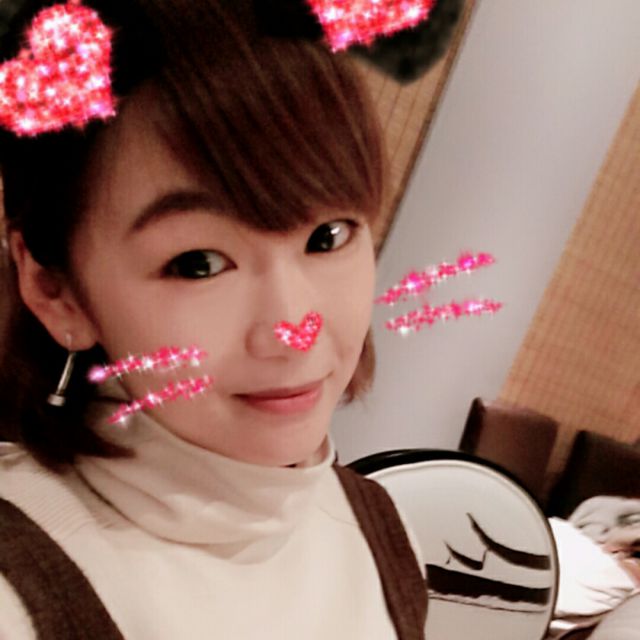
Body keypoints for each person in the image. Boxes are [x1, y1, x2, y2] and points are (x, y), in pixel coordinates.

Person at [0, 1, 427, 638]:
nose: (293, 329)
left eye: (328, 236)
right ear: (55, 291)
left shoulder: (381, 531)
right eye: (198, 263)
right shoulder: (18, 592)